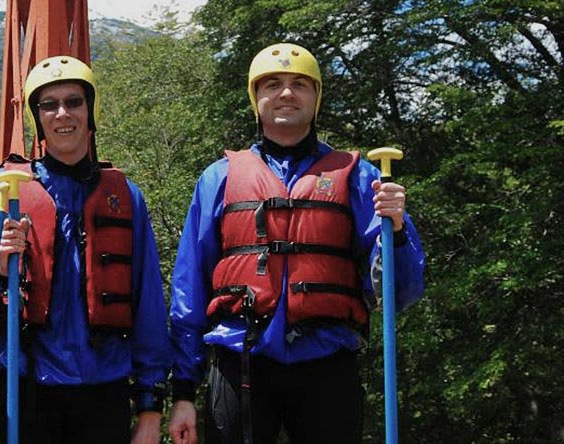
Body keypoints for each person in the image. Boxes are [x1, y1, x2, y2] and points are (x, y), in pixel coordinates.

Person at [168, 43, 426, 444]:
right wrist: (184, 389)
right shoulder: (218, 178)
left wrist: (396, 231)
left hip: (327, 358)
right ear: (256, 99)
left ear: (315, 97)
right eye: (272, 84)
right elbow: (189, 287)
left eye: (299, 84)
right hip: (241, 358)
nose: (286, 93)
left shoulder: (361, 178)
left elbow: (400, 293)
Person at [0, 55, 170, 444]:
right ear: (37, 116)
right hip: (23, 383)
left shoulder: (125, 197)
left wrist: (150, 406)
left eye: (74, 102)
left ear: (90, 111)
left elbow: (148, 302)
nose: (62, 114)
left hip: (103, 387)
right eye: (49, 105)